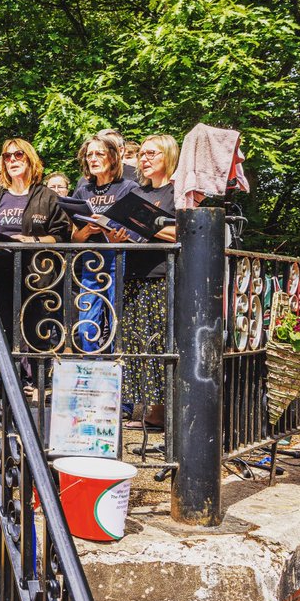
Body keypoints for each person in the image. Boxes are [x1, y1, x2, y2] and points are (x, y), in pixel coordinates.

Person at [0, 139, 71, 355]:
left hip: (37, 275)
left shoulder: (48, 197)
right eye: (7, 157)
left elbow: (62, 236)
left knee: (37, 330)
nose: (12, 160)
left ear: (30, 159)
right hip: (0, 274)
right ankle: (4, 383)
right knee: (2, 330)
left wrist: (32, 241)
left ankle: (36, 385)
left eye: (18, 155)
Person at [119, 134, 179, 431]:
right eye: (141, 154)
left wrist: (148, 225)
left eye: (151, 153)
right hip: (134, 272)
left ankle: (161, 411)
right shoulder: (138, 194)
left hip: (162, 276)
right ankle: (146, 407)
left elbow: (183, 233)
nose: (144, 159)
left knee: (159, 341)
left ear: (168, 155)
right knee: (137, 342)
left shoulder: (178, 192)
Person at [70, 134, 139, 353]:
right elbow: (74, 238)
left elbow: (134, 230)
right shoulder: (83, 190)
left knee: (117, 322)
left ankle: (117, 374)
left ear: (112, 157)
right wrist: (87, 230)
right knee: (86, 327)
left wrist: (115, 236)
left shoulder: (128, 187)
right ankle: (93, 371)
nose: (93, 158)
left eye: (99, 153)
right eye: (89, 154)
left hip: (119, 259)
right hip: (91, 261)